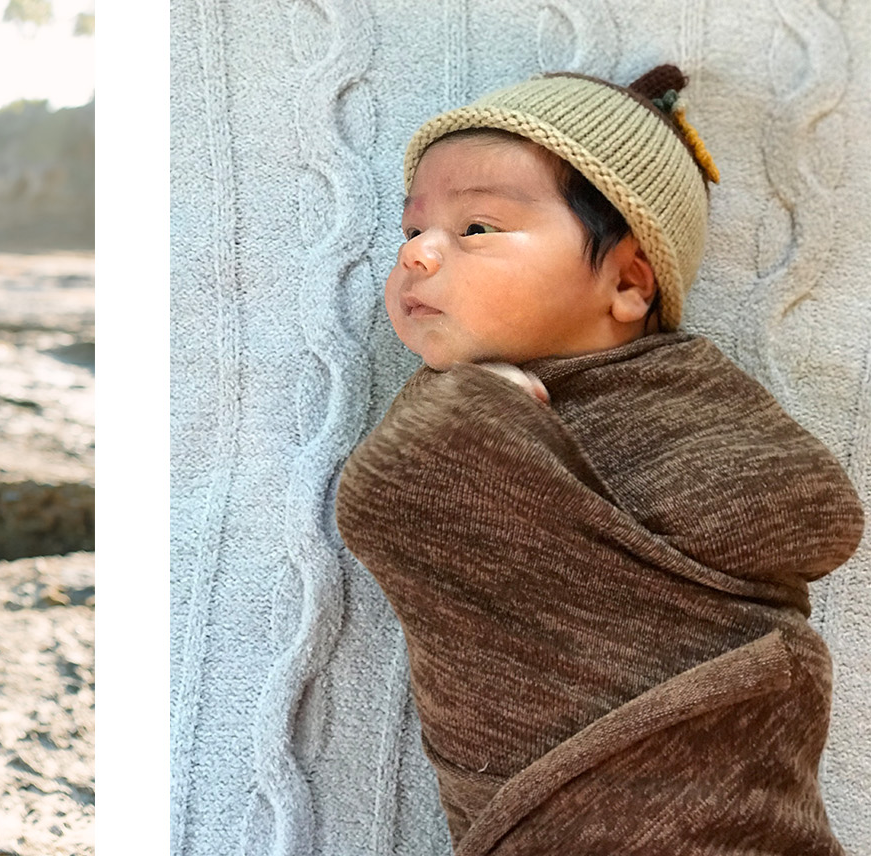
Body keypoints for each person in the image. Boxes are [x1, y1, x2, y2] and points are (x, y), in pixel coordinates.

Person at [334, 66, 864, 853]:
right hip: (535, 812)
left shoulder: (678, 389)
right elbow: (385, 508)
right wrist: (474, 411)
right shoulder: (443, 406)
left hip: (713, 773)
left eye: (476, 227)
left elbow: (819, 515)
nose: (418, 256)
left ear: (627, 283)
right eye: (412, 233)